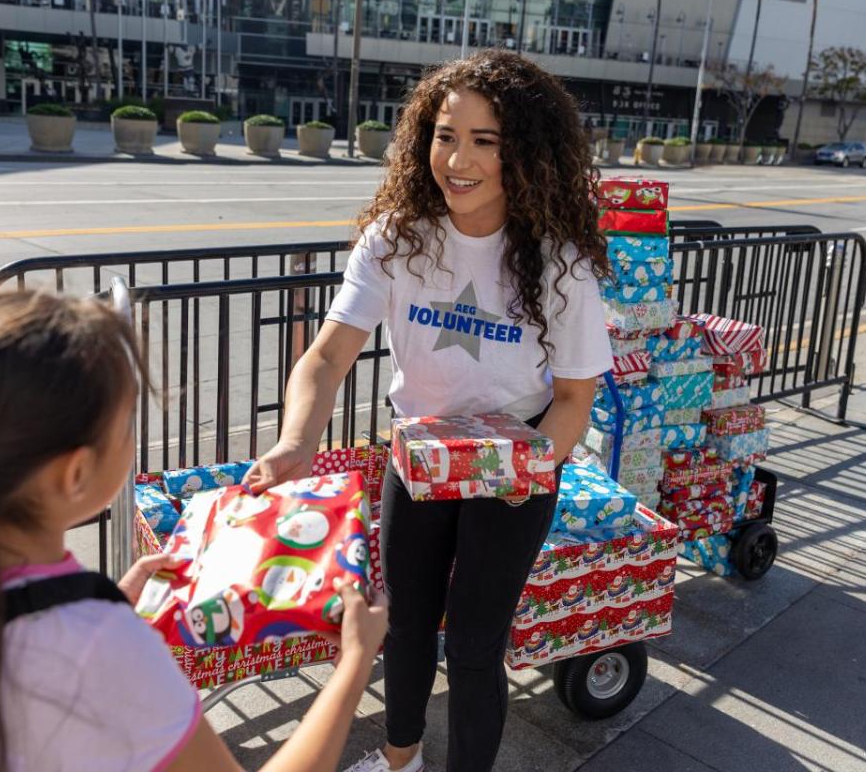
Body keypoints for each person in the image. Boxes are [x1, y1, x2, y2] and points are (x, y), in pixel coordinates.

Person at [0, 291, 388, 772]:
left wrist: (104, 602)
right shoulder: (100, 649)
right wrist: (353, 664)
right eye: (125, 422)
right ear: (77, 473)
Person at [243, 48, 613, 772]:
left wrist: (526, 464)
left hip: (516, 478)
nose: (458, 159)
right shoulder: (395, 240)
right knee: (405, 626)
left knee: (476, 648)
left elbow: (573, 401)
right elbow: (325, 357)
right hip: (416, 467)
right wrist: (294, 443)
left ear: (527, 152)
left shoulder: (561, 263)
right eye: (446, 135)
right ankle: (399, 759)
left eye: (485, 140)